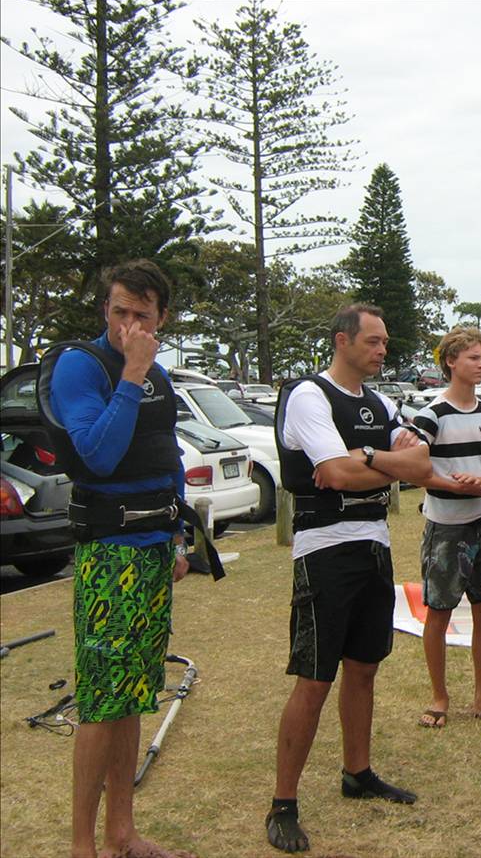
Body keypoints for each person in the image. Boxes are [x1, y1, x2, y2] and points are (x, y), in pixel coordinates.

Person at [41, 260, 212, 858]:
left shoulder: (157, 375)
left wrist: (179, 538)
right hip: (108, 556)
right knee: (100, 701)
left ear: (162, 318)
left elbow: (168, 459)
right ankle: (82, 847)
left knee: (136, 693)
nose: (130, 326)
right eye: (120, 312)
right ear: (105, 311)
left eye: (143, 315)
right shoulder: (81, 366)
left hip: (153, 550)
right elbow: (98, 454)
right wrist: (132, 373)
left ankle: (122, 833)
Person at [266, 304, 431, 853]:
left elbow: (422, 465)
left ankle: (357, 773)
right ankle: (283, 804)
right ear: (342, 341)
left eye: (385, 342)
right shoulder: (308, 395)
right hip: (324, 550)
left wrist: (366, 456)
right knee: (315, 678)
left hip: (374, 546)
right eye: (373, 341)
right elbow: (333, 475)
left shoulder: (380, 403)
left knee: (364, 668)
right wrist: (381, 464)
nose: (383, 350)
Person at [409, 327, 481, 728]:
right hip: (445, 527)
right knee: (439, 613)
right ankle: (439, 697)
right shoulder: (432, 414)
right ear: (450, 361)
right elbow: (414, 470)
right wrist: (454, 485)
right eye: (473, 358)